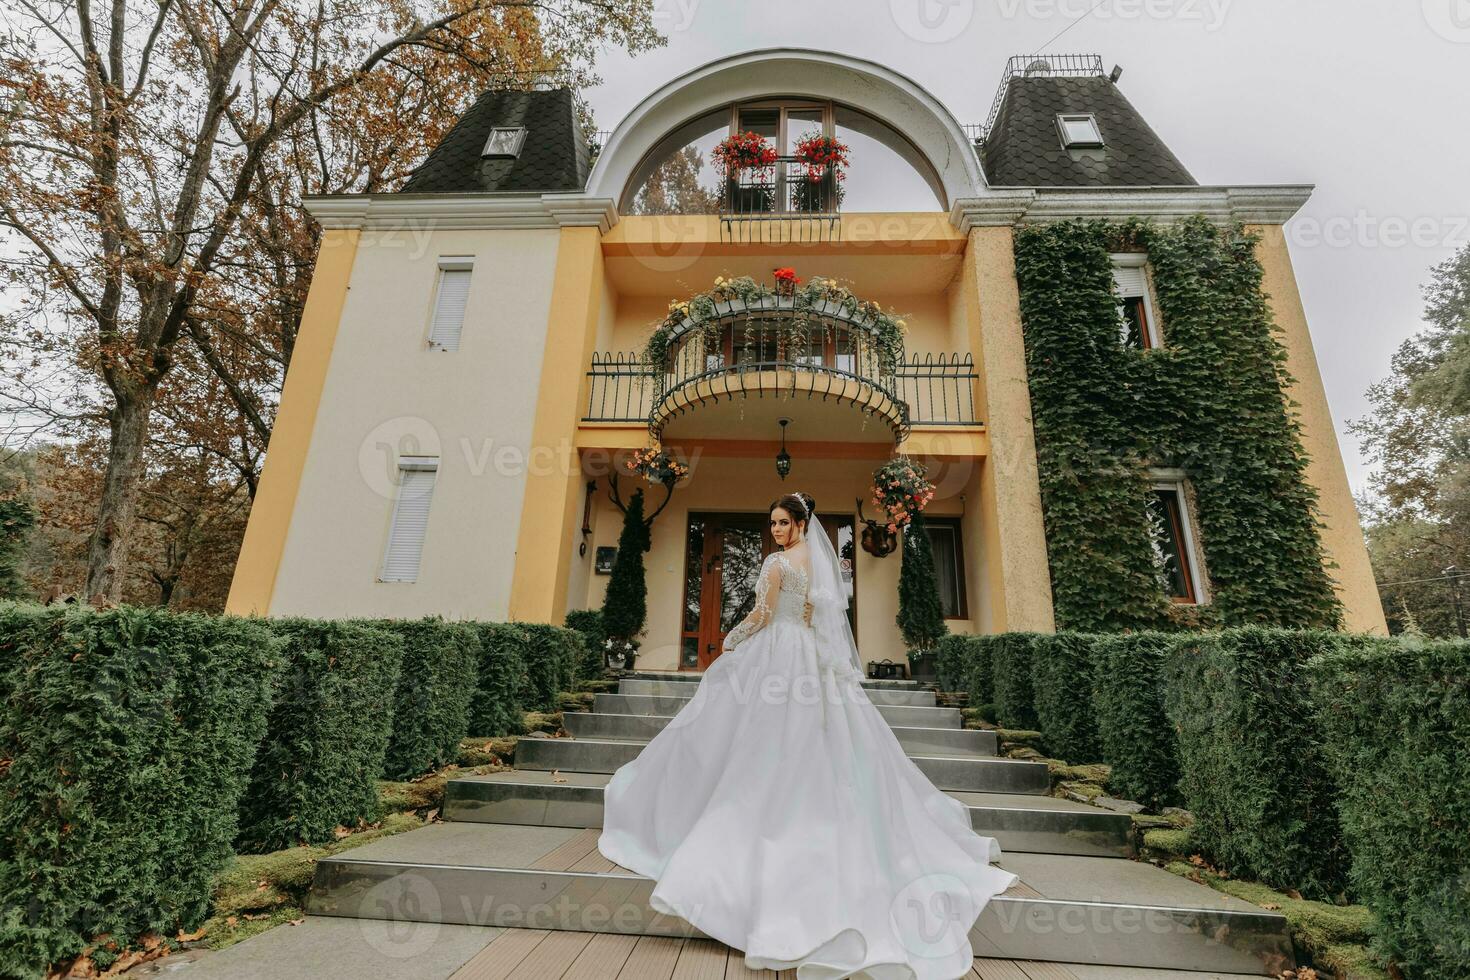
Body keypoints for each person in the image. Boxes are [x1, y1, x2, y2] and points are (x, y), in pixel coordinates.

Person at [597, 492, 1017, 979]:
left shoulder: (776, 565)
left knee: (754, 735)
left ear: (799, 522)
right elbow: (819, 618)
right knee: (793, 737)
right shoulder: (822, 566)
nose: (774, 529)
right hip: (807, 658)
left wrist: (729, 642)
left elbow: (761, 615)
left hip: (776, 654)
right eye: (771, 522)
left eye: (781, 522)